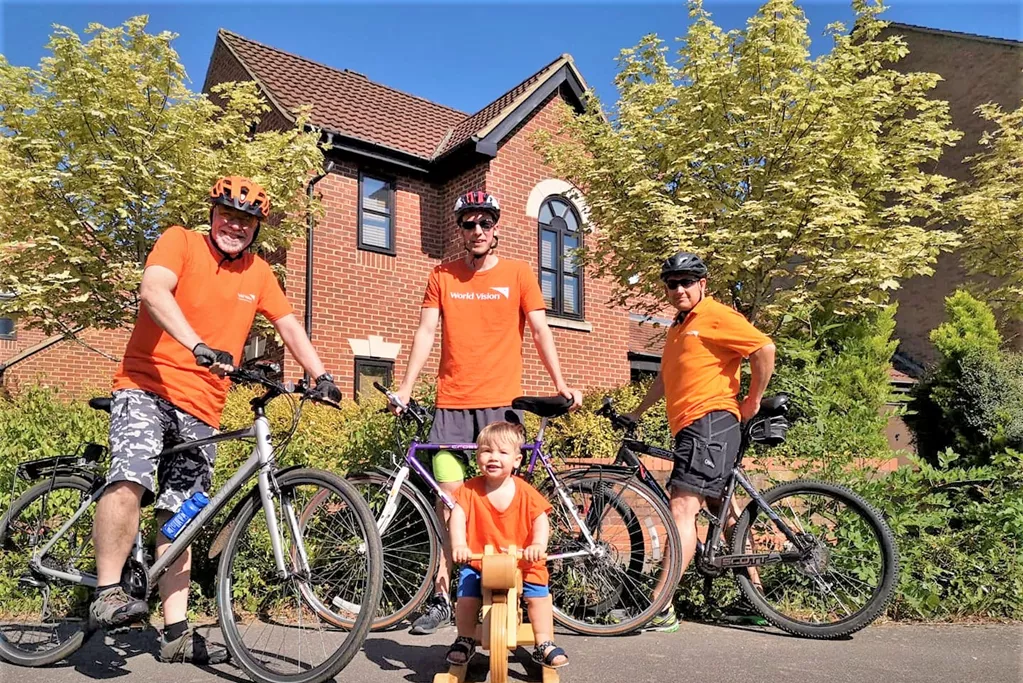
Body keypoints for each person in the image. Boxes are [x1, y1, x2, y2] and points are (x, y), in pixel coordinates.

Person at [89, 176, 341, 664]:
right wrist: (197, 344)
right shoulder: (179, 241)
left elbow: (289, 325)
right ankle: (106, 591)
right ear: (213, 215)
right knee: (131, 477)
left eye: (245, 220)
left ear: (256, 230)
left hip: (203, 407)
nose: (235, 225)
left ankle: (176, 630)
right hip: (146, 386)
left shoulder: (260, 274)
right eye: (228, 215)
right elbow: (154, 291)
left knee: (182, 514)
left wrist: (322, 375)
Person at [392, 189, 582, 634]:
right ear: (459, 230)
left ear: (495, 228)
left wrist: (560, 383)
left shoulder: (518, 273)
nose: (477, 230)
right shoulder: (442, 274)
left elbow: (539, 329)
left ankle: (510, 596)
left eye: (484, 223)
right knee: (451, 506)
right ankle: (447, 595)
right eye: (468, 224)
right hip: (451, 405)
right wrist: (404, 386)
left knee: (504, 506)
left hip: (500, 407)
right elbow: (425, 333)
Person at [627, 252, 776, 631]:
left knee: (682, 508)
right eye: (672, 283)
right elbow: (665, 378)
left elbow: (764, 348)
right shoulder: (679, 327)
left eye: (687, 281)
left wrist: (753, 400)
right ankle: (756, 598)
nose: (679, 289)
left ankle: (659, 606)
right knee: (725, 511)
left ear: (702, 284)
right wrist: (637, 413)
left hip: (709, 421)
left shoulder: (715, 315)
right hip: (696, 428)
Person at [446, 421, 568, 669]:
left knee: (538, 596)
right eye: (486, 451)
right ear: (478, 456)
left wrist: (537, 544)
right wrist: (459, 544)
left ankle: (544, 641)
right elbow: (457, 516)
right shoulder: (469, 490)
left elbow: (540, 519)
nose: (493, 457)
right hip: (480, 560)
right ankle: (465, 638)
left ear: (517, 460)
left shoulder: (524, 491)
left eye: (502, 452)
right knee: (467, 594)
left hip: (523, 561)